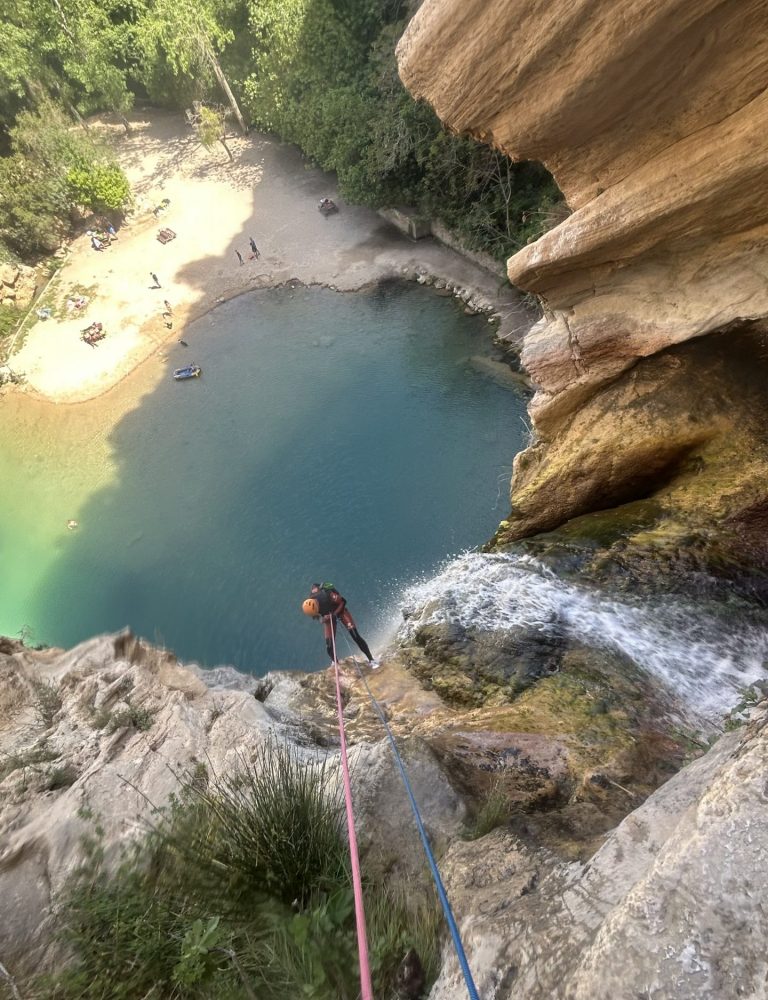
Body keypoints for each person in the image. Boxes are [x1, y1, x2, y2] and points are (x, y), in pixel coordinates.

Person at [302, 583, 377, 666]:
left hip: (341, 612)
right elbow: (317, 617)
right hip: (328, 617)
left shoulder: (327, 595)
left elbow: (343, 601)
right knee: (329, 646)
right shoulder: (311, 607)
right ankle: (335, 663)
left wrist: (334, 614)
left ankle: (371, 660)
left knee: (355, 636)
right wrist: (322, 619)